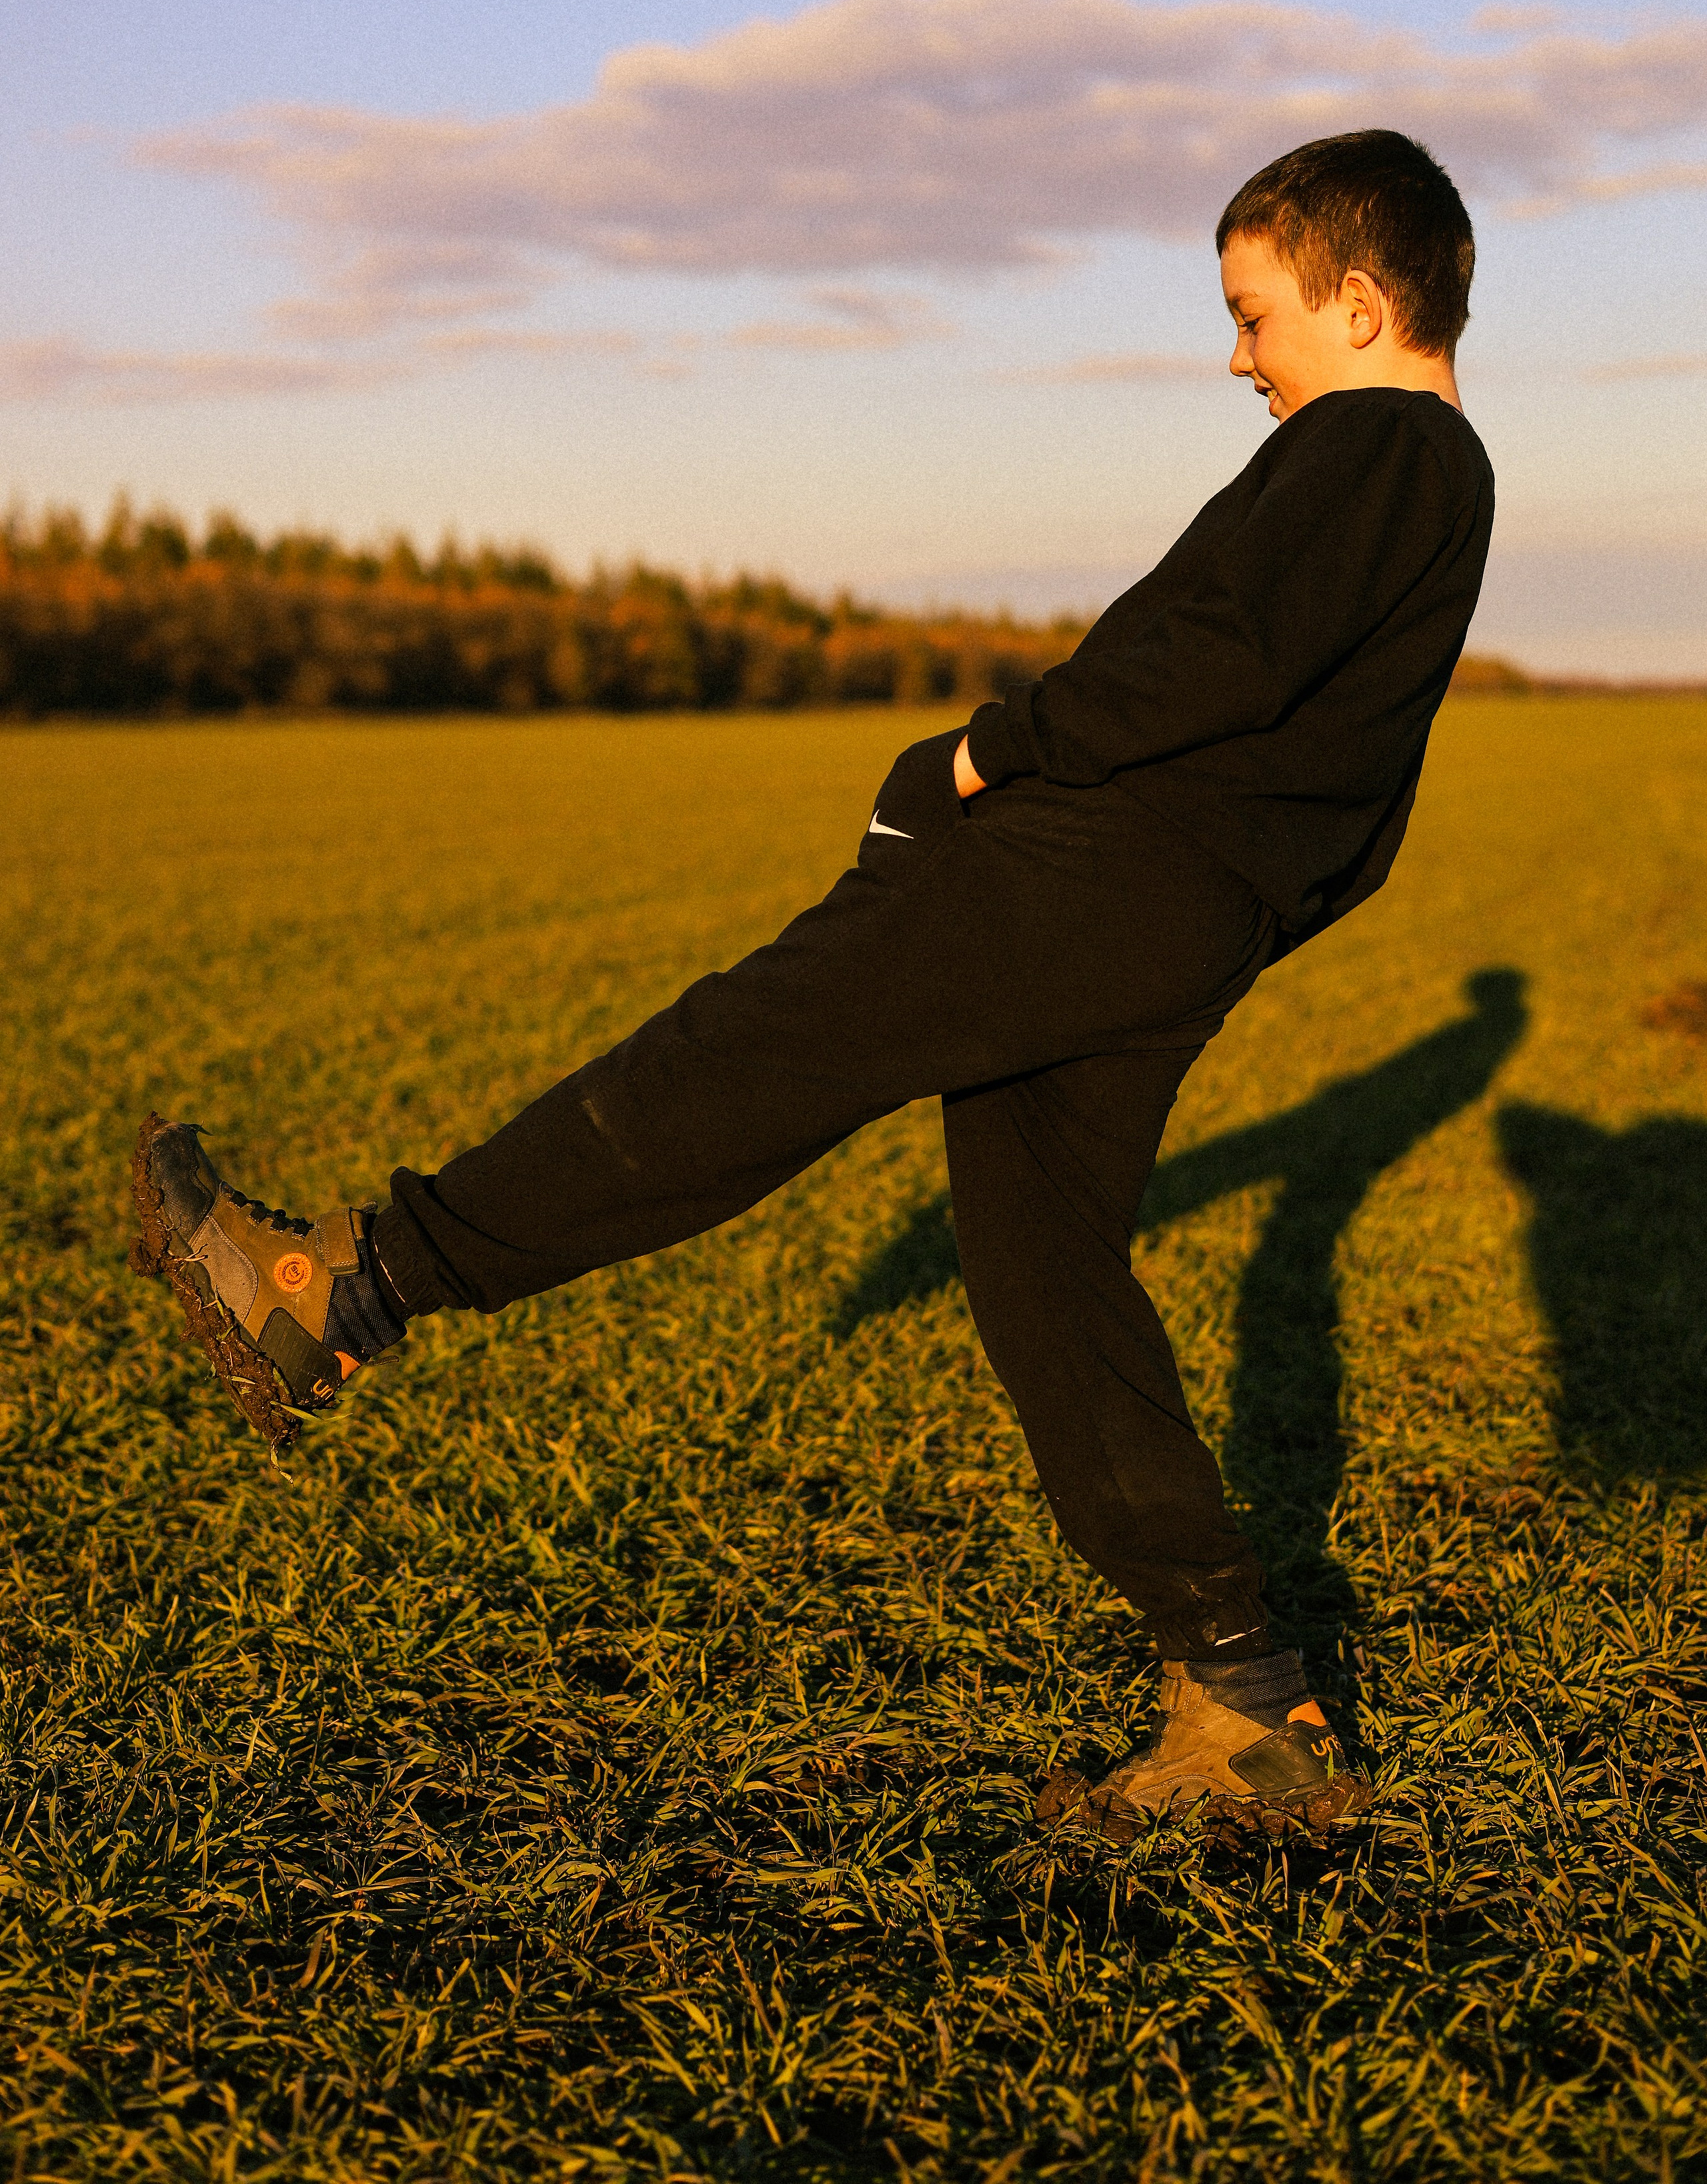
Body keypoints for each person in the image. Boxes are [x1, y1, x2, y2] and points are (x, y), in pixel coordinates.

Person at [131, 128, 1493, 1843]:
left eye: (1252, 315)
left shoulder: (1366, 447)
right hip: (1167, 923)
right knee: (1043, 1277)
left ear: (1360, 302)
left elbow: (1201, 655)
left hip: (1074, 885)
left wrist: (987, 758)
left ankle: (344, 1288)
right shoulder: (1442, 487)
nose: (1236, 358)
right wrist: (1222, 920)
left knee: (739, 1061)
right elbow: (1354, 812)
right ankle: (1241, 1695)